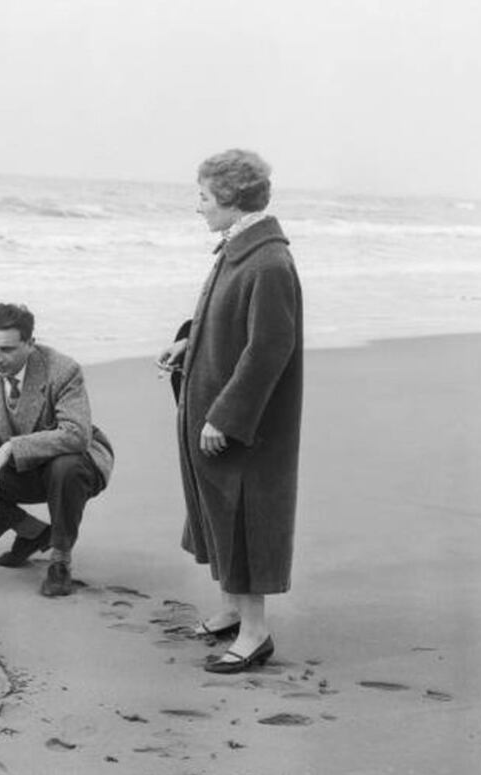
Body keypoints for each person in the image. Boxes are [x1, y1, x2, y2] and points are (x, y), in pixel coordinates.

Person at [157, 149, 303, 674]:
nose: (198, 208)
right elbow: (228, 316)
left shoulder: (268, 261)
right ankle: (231, 611)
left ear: (231, 200)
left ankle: (256, 632)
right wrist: (188, 340)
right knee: (219, 511)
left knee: (244, 517)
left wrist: (226, 416)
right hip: (218, 411)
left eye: (202, 197)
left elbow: (268, 348)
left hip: (245, 427)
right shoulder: (243, 249)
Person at [0, 303, 114, 597]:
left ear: (30, 343)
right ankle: (32, 533)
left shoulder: (63, 369)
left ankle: (60, 560)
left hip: (76, 467)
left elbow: (76, 435)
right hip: (21, 471)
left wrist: (10, 448)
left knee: (65, 467)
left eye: (7, 350)